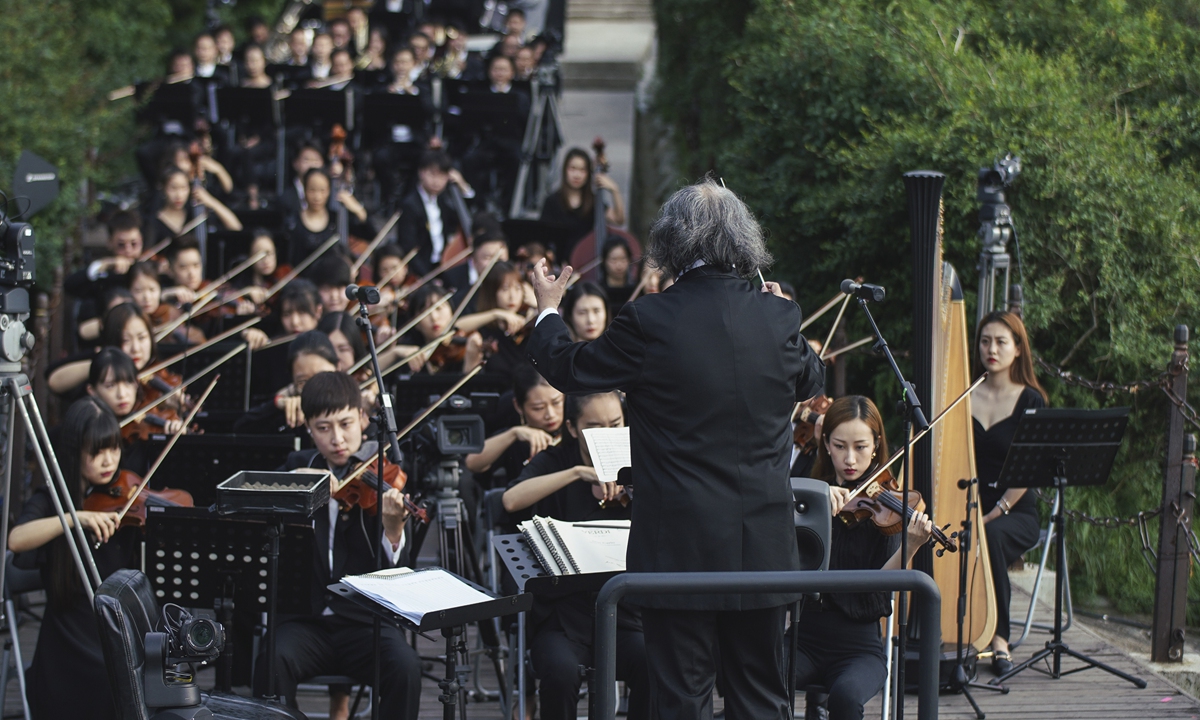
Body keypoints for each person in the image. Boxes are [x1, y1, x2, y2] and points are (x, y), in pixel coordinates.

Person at [525, 177, 825, 719]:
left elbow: (568, 369)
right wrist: (784, 319)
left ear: (671, 242)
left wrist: (548, 309)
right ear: (743, 241)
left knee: (681, 700)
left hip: (679, 549)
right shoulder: (778, 315)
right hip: (763, 546)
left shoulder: (650, 319)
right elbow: (811, 380)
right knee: (762, 698)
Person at [254, 371, 422, 719]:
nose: (337, 439)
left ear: (362, 418)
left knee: (404, 666)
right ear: (308, 429)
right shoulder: (300, 466)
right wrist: (298, 485)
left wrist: (393, 528)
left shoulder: (382, 474)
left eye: (346, 424)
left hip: (365, 624)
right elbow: (256, 495)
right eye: (323, 428)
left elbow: (398, 574)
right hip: (307, 623)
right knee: (271, 661)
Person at [502, 391, 648, 720]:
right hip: (563, 616)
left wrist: (641, 491)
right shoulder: (556, 460)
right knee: (559, 671)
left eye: (615, 425)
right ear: (571, 427)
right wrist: (577, 473)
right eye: (594, 427)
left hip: (626, 614)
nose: (607, 435)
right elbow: (510, 500)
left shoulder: (639, 458)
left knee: (651, 662)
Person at [793, 396, 933, 720]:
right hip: (804, 638)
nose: (850, 459)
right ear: (825, 444)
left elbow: (881, 585)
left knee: (846, 696)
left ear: (876, 445)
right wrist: (814, 498)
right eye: (840, 446)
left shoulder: (886, 504)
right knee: (762, 678)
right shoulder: (811, 492)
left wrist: (910, 545)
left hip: (859, 648)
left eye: (860, 447)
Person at [9, 397, 139, 720]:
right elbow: (16, 539)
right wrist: (72, 518)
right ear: (74, 452)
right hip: (66, 641)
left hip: (112, 630)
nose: (109, 461)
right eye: (96, 452)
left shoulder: (124, 495)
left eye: (114, 449)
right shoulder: (52, 497)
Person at [972, 310, 1048, 675]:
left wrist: (995, 512)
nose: (992, 349)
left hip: (1015, 511)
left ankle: (999, 638)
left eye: (1001, 342)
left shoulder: (1031, 400)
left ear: (1018, 349)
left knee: (992, 537)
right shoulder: (963, 393)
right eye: (985, 341)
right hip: (969, 504)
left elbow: (1029, 471)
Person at [466, 362, 562, 488]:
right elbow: (472, 463)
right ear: (518, 406)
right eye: (538, 408)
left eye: (556, 403)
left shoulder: (575, 428)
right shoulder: (517, 436)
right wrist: (513, 434)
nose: (550, 414)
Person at [396, 149, 475, 276]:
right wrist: (428, 278)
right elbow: (408, 247)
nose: (437, 181)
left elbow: (466, 216)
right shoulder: (410, 205)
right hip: (422, 269)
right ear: (421, 172)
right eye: (433, 174)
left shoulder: (443, 199)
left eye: (442, 176)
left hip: (443, 264)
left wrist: (462, 186)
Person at [539, 147, 624, 261]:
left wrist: (615, 190)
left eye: (582, 170)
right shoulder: (552, 201)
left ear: (588, 173)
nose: (577, 175)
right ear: (565, 170)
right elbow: (542, 237)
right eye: (572, 168)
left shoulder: (593, 202)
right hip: (558, 263)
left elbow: (618, 219)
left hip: (585, 262)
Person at [285, 168, 367, 266]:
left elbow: (367, 229)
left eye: (322, 190)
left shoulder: (336, 219)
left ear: (329, 190)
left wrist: (357, 207)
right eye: (312, 190)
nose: (317, 197)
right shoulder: (293, 221)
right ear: (304, 189)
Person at [599, 237, 635, 315]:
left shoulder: (635, 290)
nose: (619, 265)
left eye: (623, 259)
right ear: (604, 261)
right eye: (614, 259)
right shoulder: (598, 291)